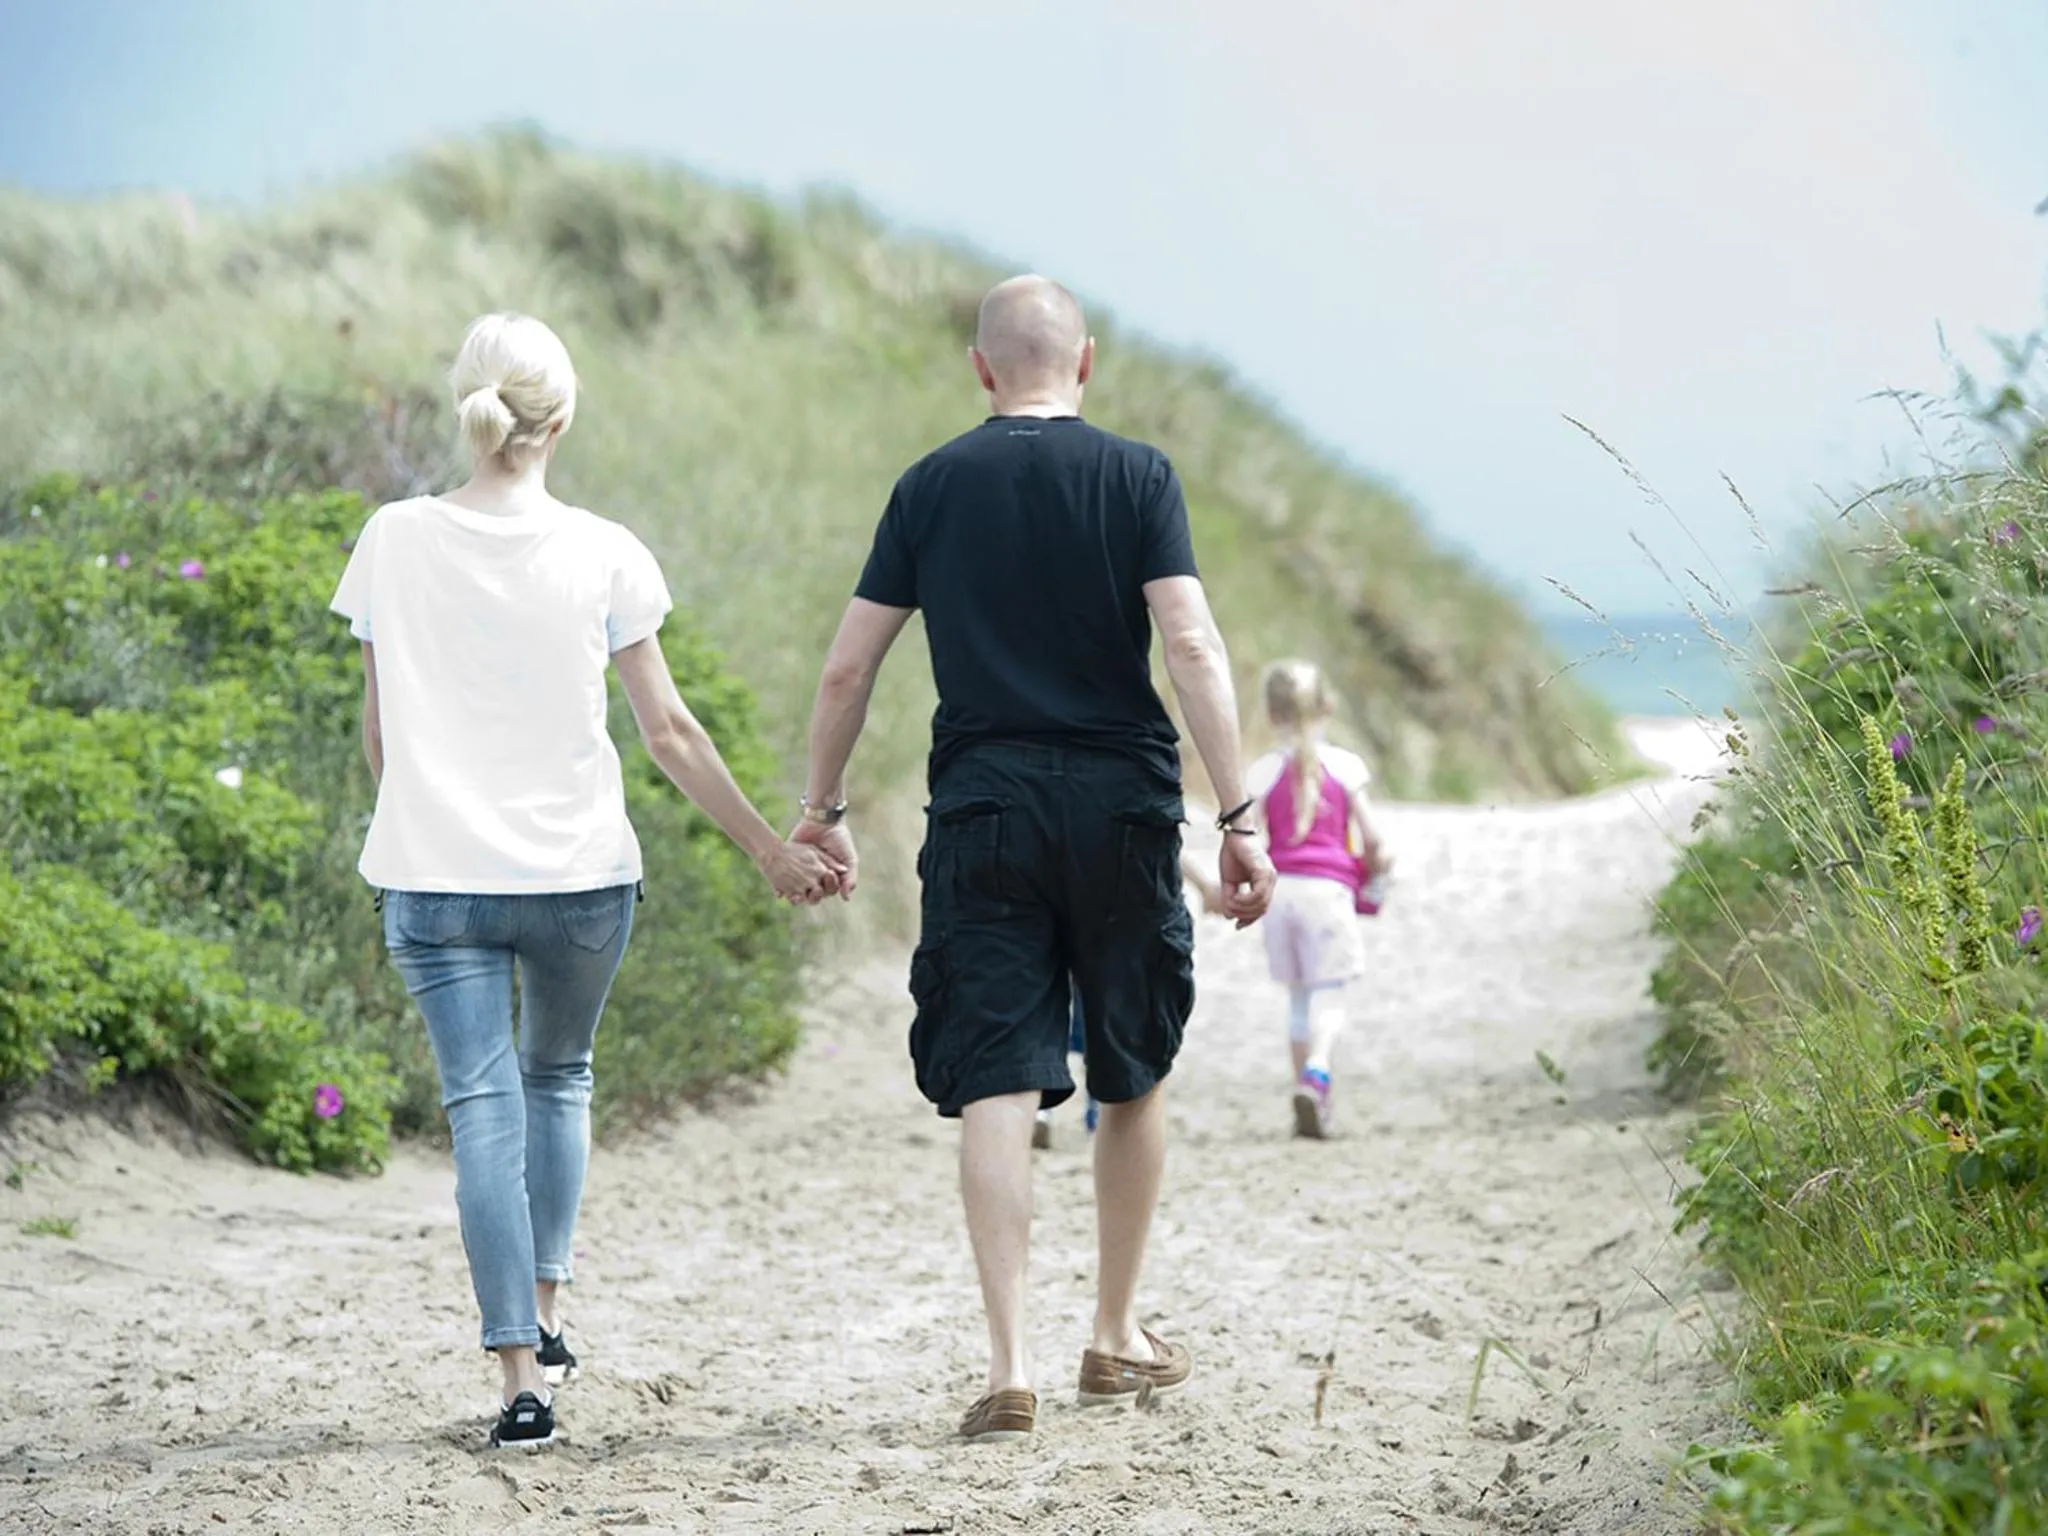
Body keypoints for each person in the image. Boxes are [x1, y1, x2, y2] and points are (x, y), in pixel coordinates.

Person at [331, 313, 841, 1452]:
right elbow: (667, 730)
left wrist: (424, 820)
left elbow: (380, 735)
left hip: (436, 877)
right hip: (577, 881)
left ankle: (518, 1372)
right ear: (561, 419)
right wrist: (770, 849)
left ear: (461, 407)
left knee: (480, 1110)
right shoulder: (604, 548)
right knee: (557, 1078)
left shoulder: (391, 538)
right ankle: (550, 1312)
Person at [792, 274, 1277, 1444]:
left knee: (996, 1080)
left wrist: (822, 805)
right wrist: (1236, 814)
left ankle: (1006, 1366)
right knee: (1130, 1065)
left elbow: (848, 668)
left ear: (980, 370)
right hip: (1121, 807)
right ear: (1086, 361)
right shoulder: (1137, 476)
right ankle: (1110, 1337)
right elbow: (1191, 643)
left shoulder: (930, 485)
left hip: (984, 812)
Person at [1243, 659, 1390, 1140]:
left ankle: (1304, 1096)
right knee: (1330, 992)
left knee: (1298, 1000)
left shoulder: (1263, 771)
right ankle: (1319, 1074)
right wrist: (1378, 871)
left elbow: (1251, 837)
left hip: (1280, 894)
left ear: (1271, 714)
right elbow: (1373, 840)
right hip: (1328, 894)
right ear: (1328, 706)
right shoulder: (1345, 767)